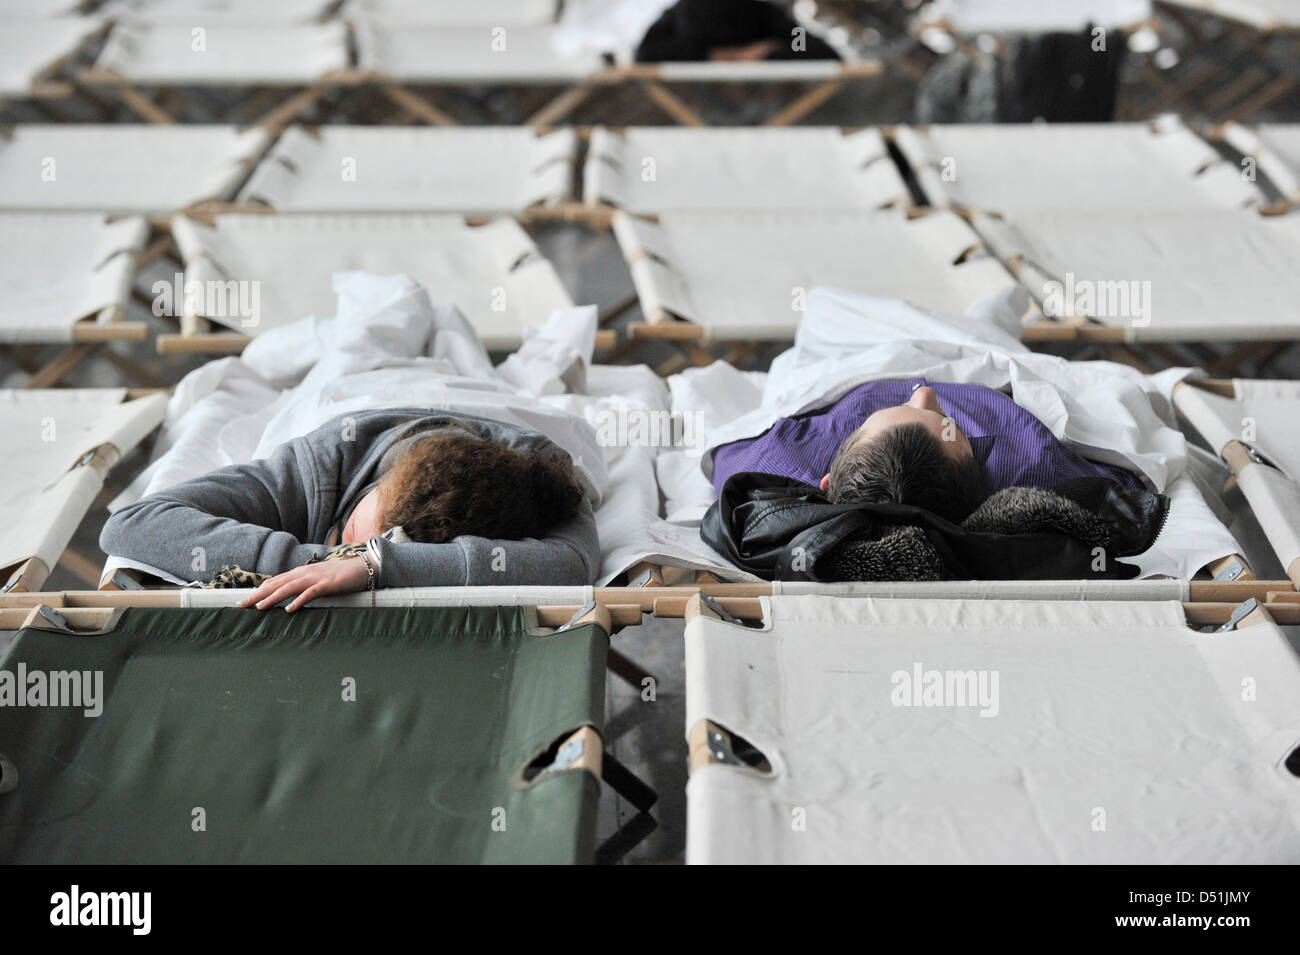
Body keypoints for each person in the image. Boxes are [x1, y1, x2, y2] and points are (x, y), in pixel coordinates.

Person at [100, 408, 598, 611]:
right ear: (371, 485)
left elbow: (572, 564)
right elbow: (131, 524)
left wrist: (378, 564)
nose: (342, 552)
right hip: (362, 389)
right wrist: (311, 565)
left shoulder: (537, 483)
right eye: (350, 533)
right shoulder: (319, 464)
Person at [709, 379, 1142, 524]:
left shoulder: (773, 462)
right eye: (942, 421)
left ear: (825, 483)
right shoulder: (1032, 463)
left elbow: (725, 461)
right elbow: (1123, 490)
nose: (924, 393)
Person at [636, 0, 839, 63]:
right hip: (693, 120)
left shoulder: (766, 14)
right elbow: (645, 52)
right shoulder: (678, 14)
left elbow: (809, 46)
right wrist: (728, 56)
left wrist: (768, 55)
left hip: (767, 115)